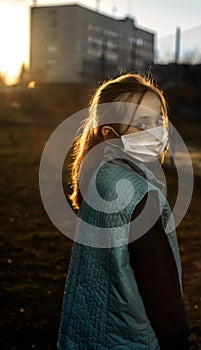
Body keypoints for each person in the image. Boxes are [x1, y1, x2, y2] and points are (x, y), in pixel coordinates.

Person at [58, 73, 190, 349]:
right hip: (130, 337)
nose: (155, 132)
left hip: (93, 330)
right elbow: (160, 291)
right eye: (141, 124)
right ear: (110, 135)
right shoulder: (141, 196)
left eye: (158, 121)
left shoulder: (99, 173)